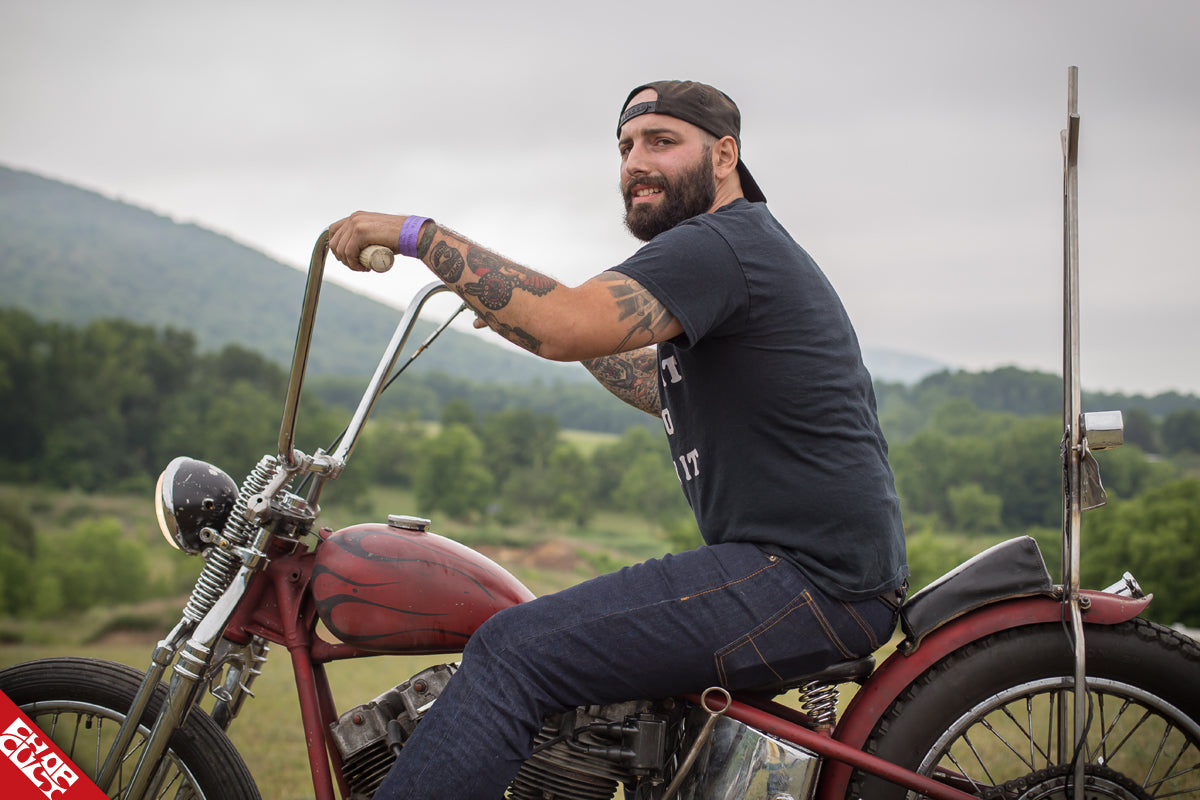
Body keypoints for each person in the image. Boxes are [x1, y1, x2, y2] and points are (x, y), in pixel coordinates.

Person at [327, 79, 907, 800]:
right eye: (627, 146)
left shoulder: (719, 244)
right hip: (801, 570)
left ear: (724, 156)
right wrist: (518, 311)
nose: (637, 161)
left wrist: (421, 236)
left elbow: (565, 322)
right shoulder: (738, 250)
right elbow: (648, 380)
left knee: (514, 652)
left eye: (663, 142)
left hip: (806, 576)